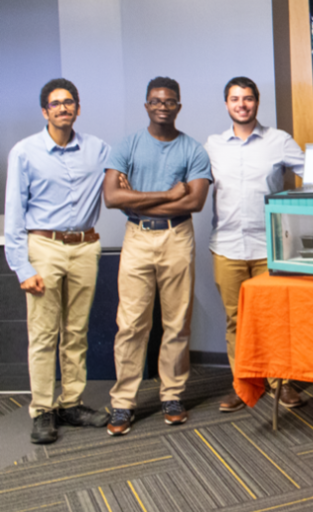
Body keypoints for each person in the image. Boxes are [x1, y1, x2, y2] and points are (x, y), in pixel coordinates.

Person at [3, 79, 112, 444]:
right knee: (44, 334)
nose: (63, 108)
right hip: (44, 248)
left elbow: (123, 180)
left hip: (85, 247)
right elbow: (14, 213)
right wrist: (22, 267)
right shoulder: (24, 152)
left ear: (78, 108)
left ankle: (71, 403)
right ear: (44, 111)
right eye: (55, 103)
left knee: (76, 331)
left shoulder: (98, 149)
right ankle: (43, 410)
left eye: (69, 102)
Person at [102, 77, 212, 436]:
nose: (162, 107)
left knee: (177, 322)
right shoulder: (127, 145)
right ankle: (123, 402)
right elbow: (112, 197)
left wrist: (137, 197)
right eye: (155, 101)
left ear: (178, 106)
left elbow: (195, 201)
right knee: (131, 323)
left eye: (169, 101)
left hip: (177, 236)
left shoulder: (193, 150)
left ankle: (172, 395)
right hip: (137, 236)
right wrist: (168, 194)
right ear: (146, 105)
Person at [205, 77, 306, 412]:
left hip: (270, 247)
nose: (242, 105)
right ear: (226, 104)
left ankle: (281, 384)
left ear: (257, 102)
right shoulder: (212, 145)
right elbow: (188, 180)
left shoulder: (279, 140)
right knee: (236, 320)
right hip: (227, 246)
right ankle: (243, 384)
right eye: (235, 99)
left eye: (248, 98)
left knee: (275, 319)